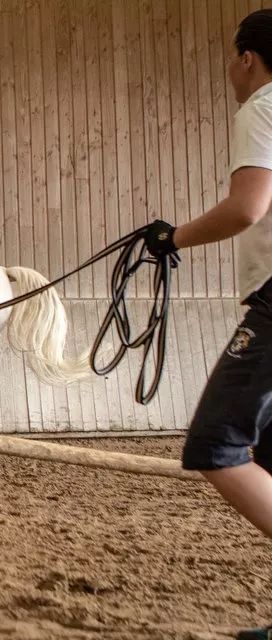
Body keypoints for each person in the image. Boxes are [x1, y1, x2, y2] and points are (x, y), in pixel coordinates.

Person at [142, 10, 272, 640]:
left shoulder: (263, 106)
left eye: (231, 57)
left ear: (247, 57)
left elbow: (248, 207)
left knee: (215, 444)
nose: (230, 71)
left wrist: (175, 237)